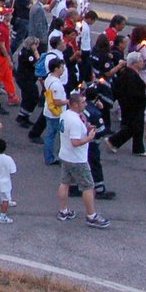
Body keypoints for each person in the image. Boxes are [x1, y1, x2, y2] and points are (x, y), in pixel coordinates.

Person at [56, 91, 109, 228]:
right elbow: (75, 142)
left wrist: (86, 129)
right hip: (77, 159)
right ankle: (91, 216)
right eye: (83, 102)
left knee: (65, 183)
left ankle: (63, 210)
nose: (85, 104)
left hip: (65, 155)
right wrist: (89, 138)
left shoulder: (65, 115)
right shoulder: (74, 120)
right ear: (75, 104)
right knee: (88, 186)